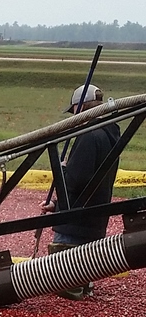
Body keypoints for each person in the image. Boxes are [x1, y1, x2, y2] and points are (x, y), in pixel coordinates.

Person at [41, 84, 120, 300]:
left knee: (66, 289)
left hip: (73, 225)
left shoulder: (89, 136)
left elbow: (77, 182)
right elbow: (92, 185)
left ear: (80, 108)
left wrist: (63, 170)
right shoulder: (111, 134)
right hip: (93, 221)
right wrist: (57, 204)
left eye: (74, 111)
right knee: (82, 279)